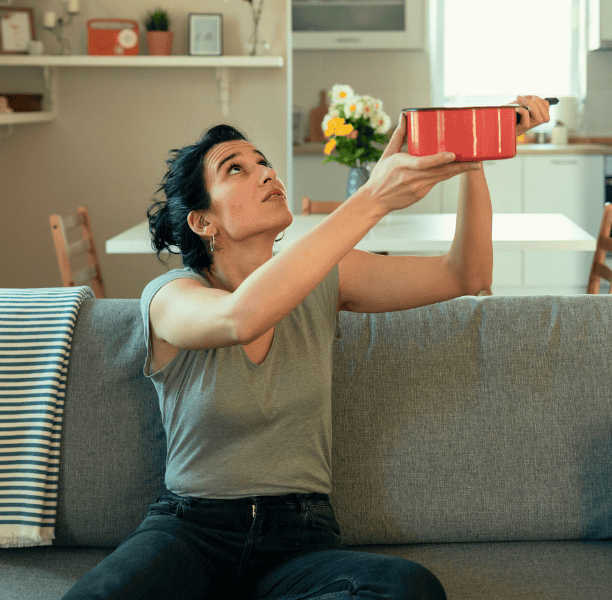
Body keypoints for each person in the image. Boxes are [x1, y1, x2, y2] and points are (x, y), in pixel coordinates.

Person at [62, 96, 552, 600]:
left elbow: (466, 273)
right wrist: (372, 199)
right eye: (236, 169)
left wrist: (474, 156)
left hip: (299, 542)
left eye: (263, 163)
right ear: (203, 222)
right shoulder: (171, 298)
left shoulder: (327, 280)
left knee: (410, 589)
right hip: (192, 532)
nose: (264, 173)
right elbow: (242, 317)